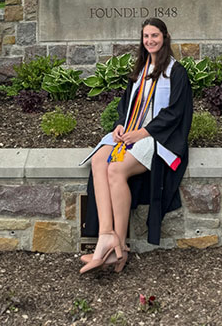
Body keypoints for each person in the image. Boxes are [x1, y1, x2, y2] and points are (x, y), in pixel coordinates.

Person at [79, 17, 193, 274]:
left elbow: (175, 113)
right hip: (130, 131)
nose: (150, 40)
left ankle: (118, 246)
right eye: (146, 36)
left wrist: (142, 133)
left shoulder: (176, 72)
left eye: (155, 35)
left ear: (165, 37)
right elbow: (126, 106)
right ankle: (106, 236)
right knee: (98, 160)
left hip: (156, 137)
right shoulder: (140, 70)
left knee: (115, 170)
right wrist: (120, 125)